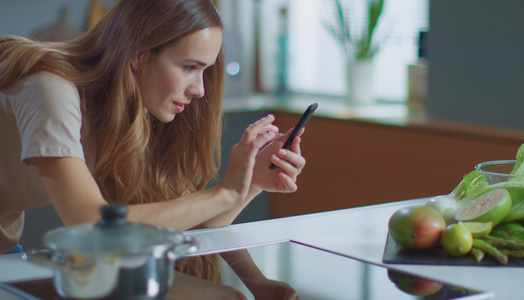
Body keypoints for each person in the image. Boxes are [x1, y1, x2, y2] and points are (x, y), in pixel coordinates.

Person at [0, 0, 306, 263]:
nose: (200, 89)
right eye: (189, 67)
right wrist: (224, 192)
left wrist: (251, 182)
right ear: (139, 54)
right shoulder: (50, 88)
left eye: (205, 70)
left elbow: (183, 227)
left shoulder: (129, 111)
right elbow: (91, 228)